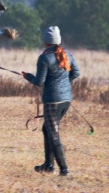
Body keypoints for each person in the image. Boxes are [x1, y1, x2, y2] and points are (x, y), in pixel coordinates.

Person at [22, 26, 80, 176]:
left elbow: (39, 82)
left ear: (45, 41)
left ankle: (64, 170)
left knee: (53, 134)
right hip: (65, 101)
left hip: (52, 103)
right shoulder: (67, 54)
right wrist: (64, 87)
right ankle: (48, 165)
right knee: (47, 129)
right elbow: (76, 73)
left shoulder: (44, 58)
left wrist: (27, 76)